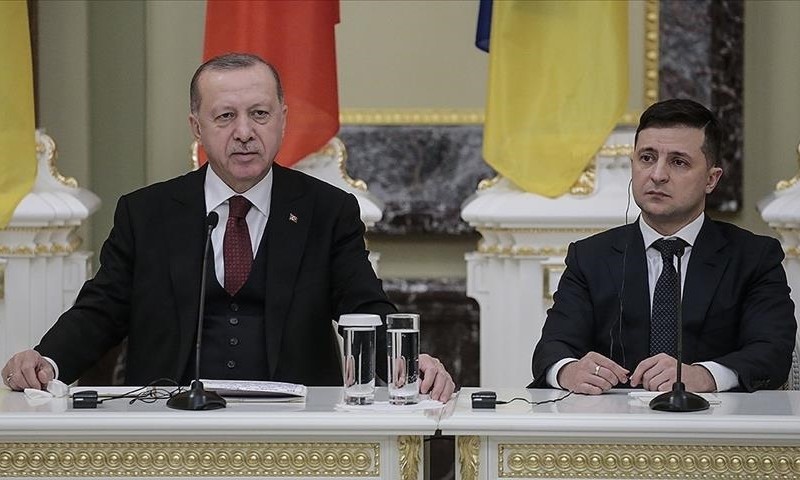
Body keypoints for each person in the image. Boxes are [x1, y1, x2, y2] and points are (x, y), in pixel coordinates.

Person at [2, 53, 455, 402]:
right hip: (170, 422)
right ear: (196, 127)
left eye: (259, 114)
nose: (244, 132)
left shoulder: (327, 210)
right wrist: (47, 361)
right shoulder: (146, 213)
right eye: (225, 116)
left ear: (283, 120)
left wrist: (410, 361)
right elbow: (102, 310)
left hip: (298, 429)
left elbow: (364, 306)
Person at [531, 98, 796, 395]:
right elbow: (552, 348)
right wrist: (568, 370)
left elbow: (773, 352)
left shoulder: (754, 257)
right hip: (612, 419)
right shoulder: (590, 257)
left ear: (711, 179)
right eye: (647, 158)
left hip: (716, 419)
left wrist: (705, 376)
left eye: (678, 162)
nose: (657, 175)